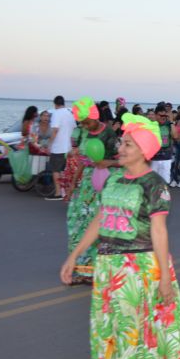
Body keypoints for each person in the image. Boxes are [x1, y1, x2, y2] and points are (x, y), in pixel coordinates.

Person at [60, 113, 180, 359]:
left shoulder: (154, 186)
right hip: (108, 268)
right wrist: (74, 256)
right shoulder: (113, 180)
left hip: (140, 269)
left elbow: (159, 232)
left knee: (141, 334)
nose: (119, 149)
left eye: (127, 145)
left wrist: (163, 278)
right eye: (122, 143)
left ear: (144, 151)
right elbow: (101, 219)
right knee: (113, 332)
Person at [65, 97, 118, 285]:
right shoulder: (84, 132)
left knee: (99, 227)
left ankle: (99, 270)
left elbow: (124, 160)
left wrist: (107, 163)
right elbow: (82, 160)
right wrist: (73, 184)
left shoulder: (109, 134)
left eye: (87, 122)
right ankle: (81, 269)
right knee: (78, 224)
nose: (84, 126)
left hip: (105, 183)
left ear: (95, 117)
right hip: (86, 184)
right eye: (81, 123)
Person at [48, 95, 76, 201]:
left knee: (56, 170)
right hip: (68, 147)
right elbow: (74, 128)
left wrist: (49, 144)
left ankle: (58, 192)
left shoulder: (56, 113)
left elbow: (55, 130)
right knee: (66, 171)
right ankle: (67, 192)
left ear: (55, 104)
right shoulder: (70, 112)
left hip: (58, 147)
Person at [150, 103, 173, 184]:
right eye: (161, 115)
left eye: (165, 116)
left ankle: (164, 196)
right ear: (156, 115)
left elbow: (176, 136)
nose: (163, 117)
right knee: (153, 182)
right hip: (153, 158)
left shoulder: (169, 125)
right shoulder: (151, 125)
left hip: (166, 157)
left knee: (165, 182)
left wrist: (171, 122)